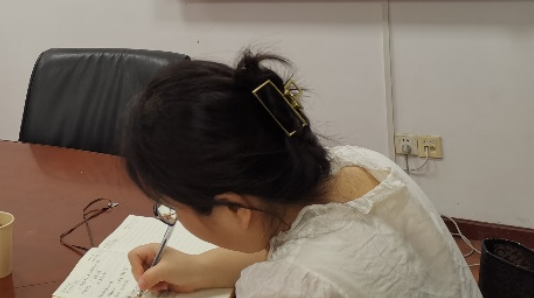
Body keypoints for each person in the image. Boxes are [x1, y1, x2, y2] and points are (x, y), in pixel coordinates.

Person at [121, 51, 481, 298]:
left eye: (172, 209)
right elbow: (306, 261)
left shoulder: (289, 286)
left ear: (235, 208)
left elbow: (305, 275)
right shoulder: (362, 165)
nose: (174, 217)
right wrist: (199, 268)